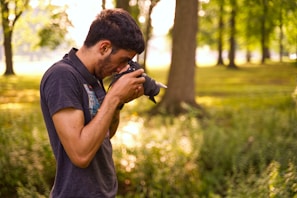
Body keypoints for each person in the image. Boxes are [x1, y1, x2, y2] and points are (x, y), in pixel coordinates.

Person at [40, 8, 145, 197]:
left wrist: (118, 103)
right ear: (104, 47)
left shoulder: (93, 78)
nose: (124, 68)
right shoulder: (62, 76)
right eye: (123, 60)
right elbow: (80, 154)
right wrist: (113, 98)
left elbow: (105, 134)